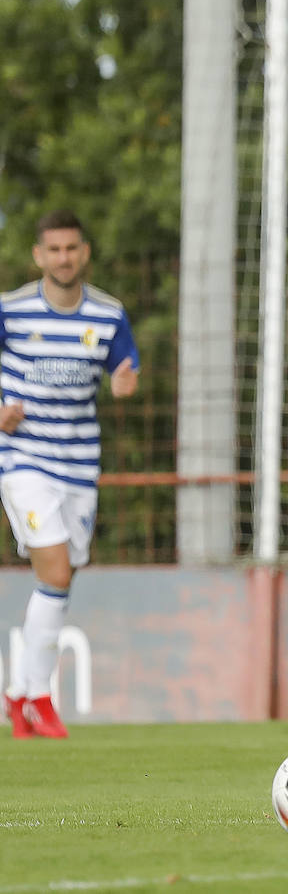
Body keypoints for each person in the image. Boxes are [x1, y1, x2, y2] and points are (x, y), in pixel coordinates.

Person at [2, 210, 140, 740]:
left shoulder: (107, 314)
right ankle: (39, 699)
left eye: (71, 248)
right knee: (56, 572)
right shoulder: (11, 310)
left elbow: (125, 369)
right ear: (38, 255)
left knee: (59, 578)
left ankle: (18, 697)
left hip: (79, 464)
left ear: (84, 253)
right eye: (53, 249)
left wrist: (125, 386)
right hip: (23, 460)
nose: (63, 257)